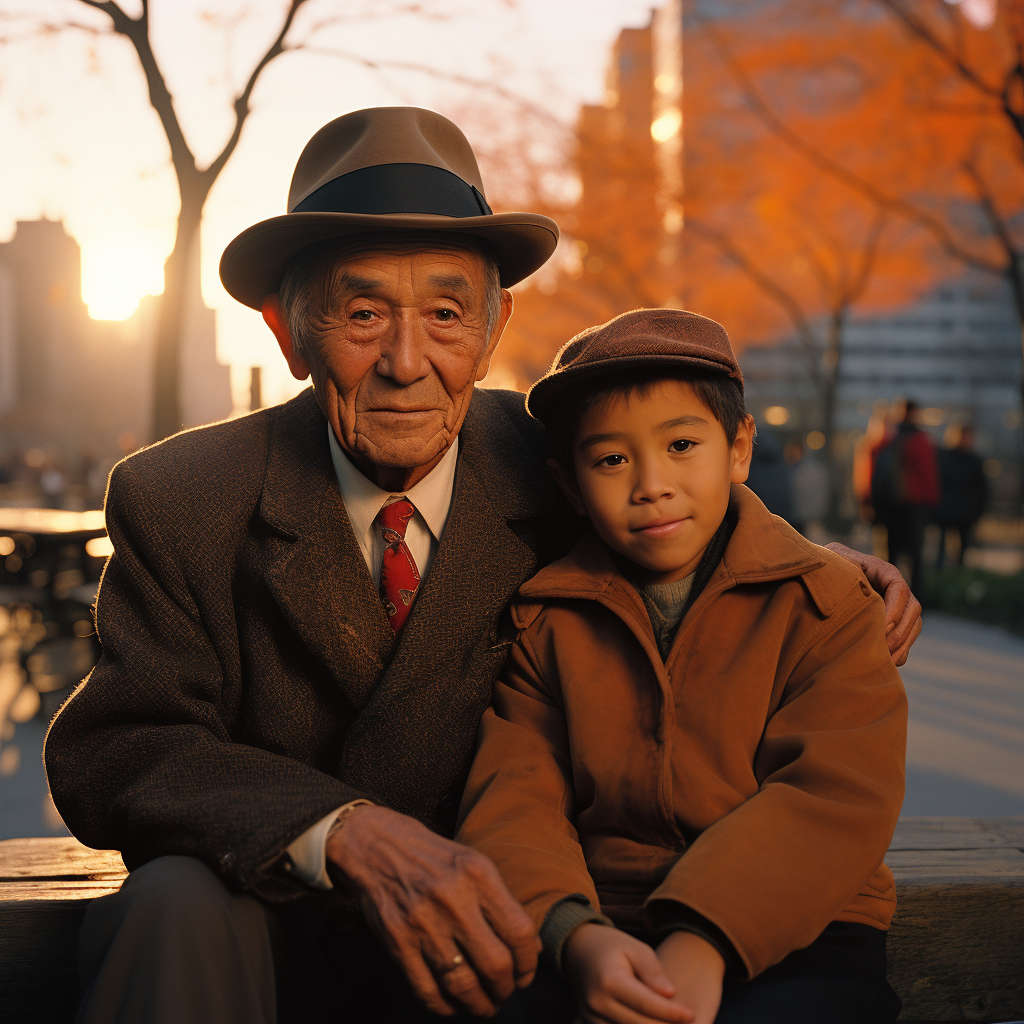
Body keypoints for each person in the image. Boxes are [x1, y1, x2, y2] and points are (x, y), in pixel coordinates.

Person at [43, 109, 921, 1024]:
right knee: (166, 904)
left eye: (448, 314)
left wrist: (808, 563)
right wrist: (343, 831)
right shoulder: (180, 495)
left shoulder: (562, 458)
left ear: (496, 328)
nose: (407, 363)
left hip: (498, 933)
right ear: (287, 330)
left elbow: (681, 499)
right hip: (273, 909)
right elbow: (122, 748)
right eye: (363, 313)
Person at [457, 309, 907, 1024]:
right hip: (606, 914)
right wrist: (575, 936)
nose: (651, 485)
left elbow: (833, 797)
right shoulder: (550, 619)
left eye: (682, 445)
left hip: (807, 924)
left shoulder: (825, 605)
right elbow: (516, 799)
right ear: (569, 484)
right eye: (611, 460)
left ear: (738, 449)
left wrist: (701, 943)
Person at [871, 400, 940, 593]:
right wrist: (933, 505)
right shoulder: (921, 440)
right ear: (915, 413)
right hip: (915, 506)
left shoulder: (887, 439)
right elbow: (928, 476)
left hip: (890, 505)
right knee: (916, 556)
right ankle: (916, 599)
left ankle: (887, 596)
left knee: (891, 556)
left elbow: (874, 476)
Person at [933, 422, 987, 568]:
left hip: (964, 512)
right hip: (945, 511)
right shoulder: (943, 457)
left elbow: (982, 489)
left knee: (961, 550)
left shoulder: (973, 461)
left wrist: (978, 511)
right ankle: (941, 576)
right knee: (941, 549)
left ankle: (957, 575)